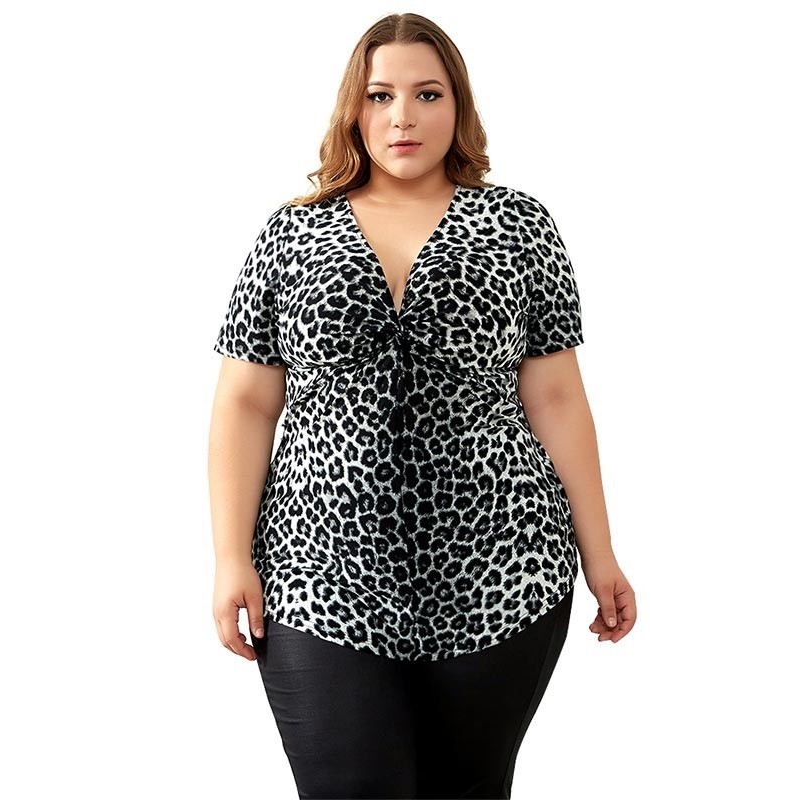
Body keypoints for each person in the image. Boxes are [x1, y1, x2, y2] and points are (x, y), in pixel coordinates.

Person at [208, 11, 636, 800]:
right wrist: (231, 557)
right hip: (316, 571)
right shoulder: (291, 233)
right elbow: (245, 403)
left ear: (458, 105)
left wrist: (599, 553)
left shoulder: (520, 225)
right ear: (354, 108)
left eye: (427, 94)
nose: (402, 116)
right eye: (380, 95)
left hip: (504, 569)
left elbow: (555, 396)